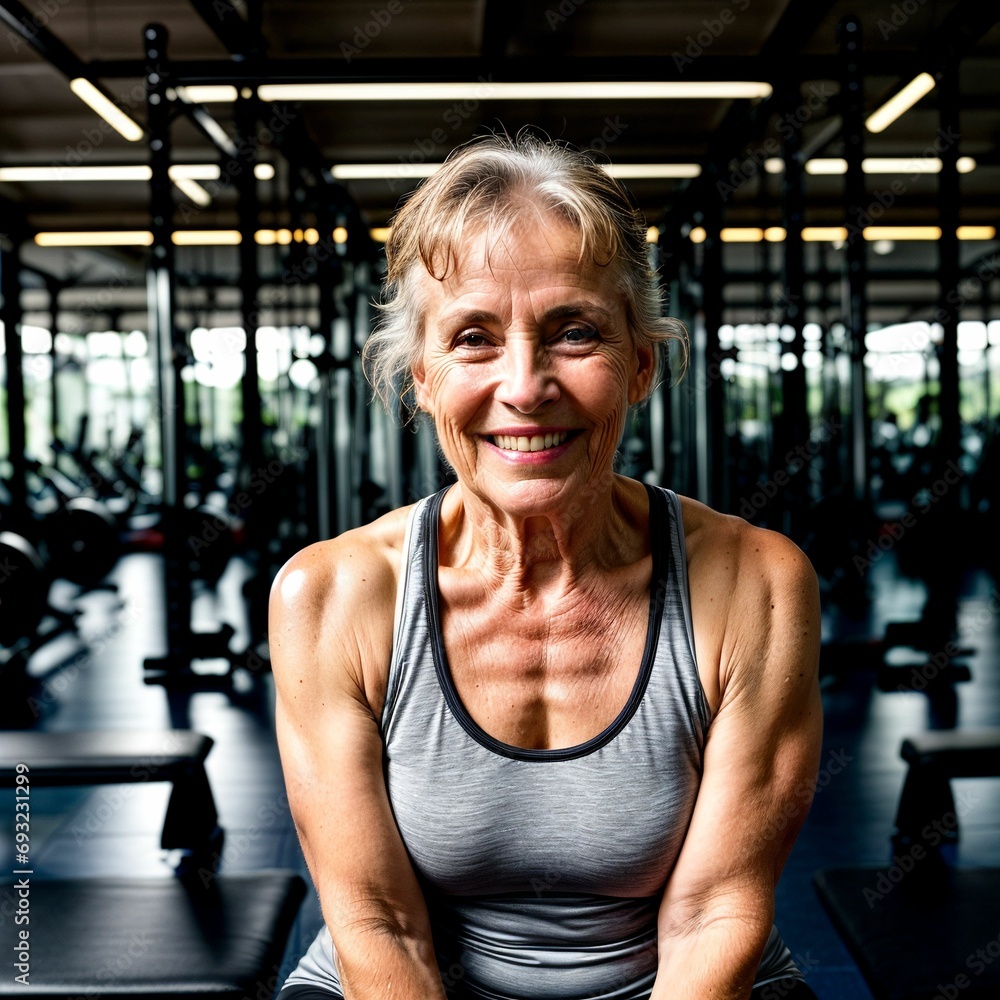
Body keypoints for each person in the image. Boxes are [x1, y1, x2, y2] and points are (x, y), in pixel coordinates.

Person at [270, 132, 823, 1000]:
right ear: (422, 375)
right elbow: (381, 921)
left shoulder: (758, 583)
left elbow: (712, 913)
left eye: (575, 333)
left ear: (640, 364)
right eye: (475, 339)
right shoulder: (332, 597)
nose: (525, 387)